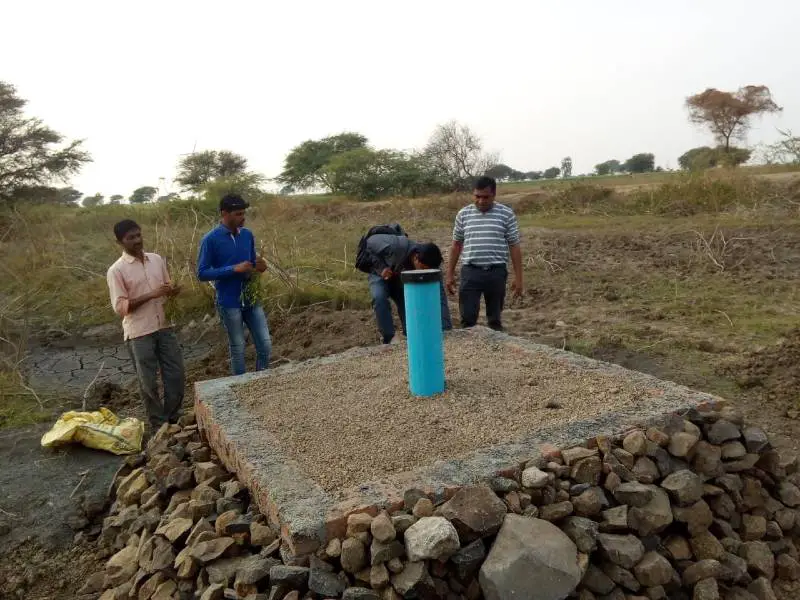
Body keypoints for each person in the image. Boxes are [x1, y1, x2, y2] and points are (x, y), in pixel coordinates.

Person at [106, 219, 185, 431]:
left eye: (138, 235)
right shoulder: (116, 270)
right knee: (148, 383)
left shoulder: (157, 260)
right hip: (139, 332)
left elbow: (166, 288)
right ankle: (159, 426)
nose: (137, 241)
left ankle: (173, 417)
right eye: (130, 238)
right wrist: (151, 295)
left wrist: (173, 290)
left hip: (164, 326)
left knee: (175, 374)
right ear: (119, 242)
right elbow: (121, 307)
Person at [197, 194, 271, 375]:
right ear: (224, 213)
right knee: (238, 346)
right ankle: (240, 385)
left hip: (250, 298)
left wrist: (259, 266)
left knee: (265, 343)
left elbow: (252, 262)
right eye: (238, 214)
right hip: (229, 301)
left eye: (243, 213)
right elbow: (202, 273)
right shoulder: (211, 239)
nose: (242, 217)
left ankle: (262, 378)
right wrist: (233, 269)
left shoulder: (247, 235)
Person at [445, 175, 523, 331]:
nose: (481, 201)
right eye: (477, 196)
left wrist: (519, 278)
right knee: (467, 320)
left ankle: (495, 352)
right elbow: (456, 245)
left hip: (496, 272)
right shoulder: (463, 214)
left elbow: (514, 246)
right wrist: (449, 274)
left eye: (486, 197)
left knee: (494, 321)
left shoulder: (506, 214)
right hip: (470, 272)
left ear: (494, 195)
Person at [364, 232, 452, 344]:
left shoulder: (430, 263)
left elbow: (440, 295)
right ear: (416, 258)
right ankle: (389, 337)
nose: (425, 273)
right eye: (423, 269)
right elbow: (369, 242)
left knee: (408, 300)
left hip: (398, 275)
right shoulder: (395, 245)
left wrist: (446, 329)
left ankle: (411, 334)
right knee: (379, 297)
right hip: (379, 272)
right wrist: (381, 267)